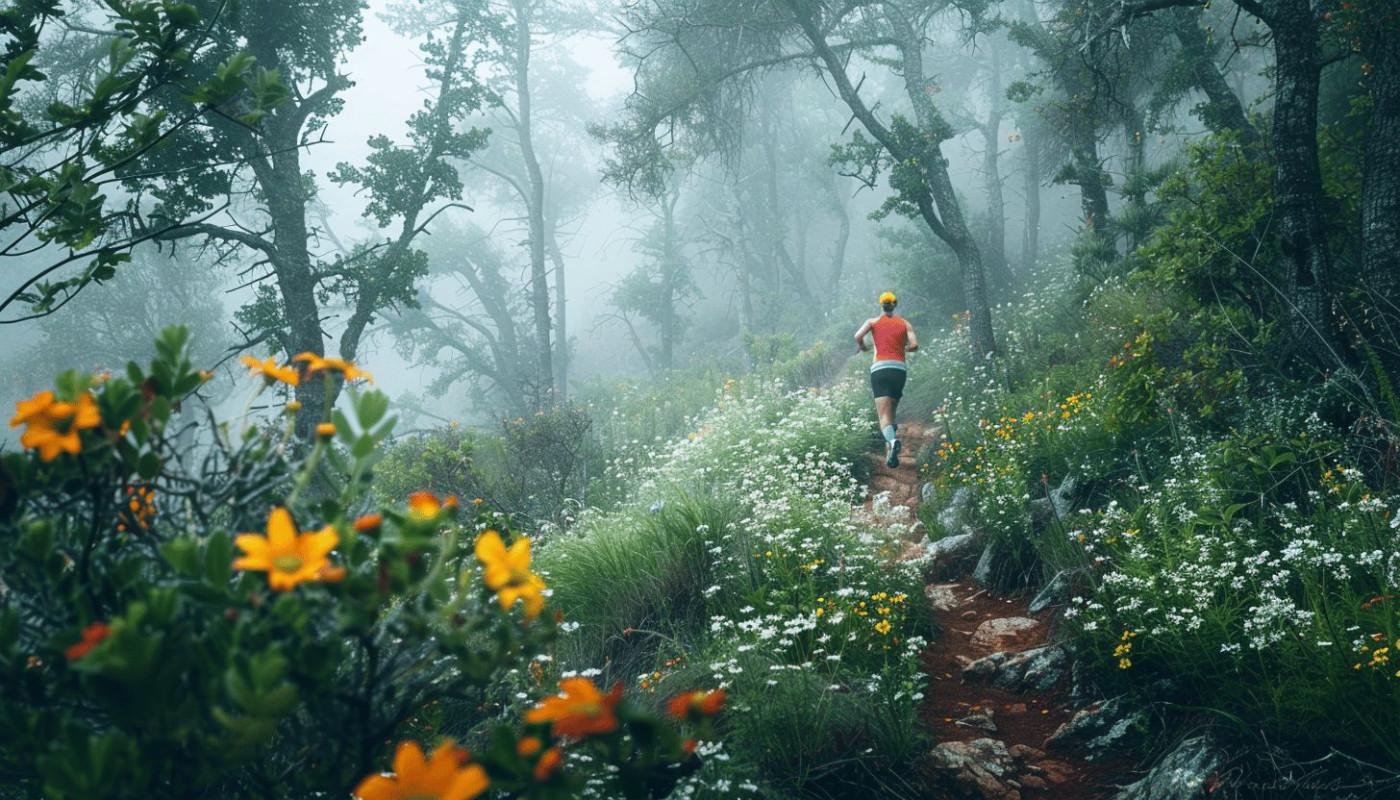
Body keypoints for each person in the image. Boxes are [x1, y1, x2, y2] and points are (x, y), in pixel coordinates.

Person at [855, 291, 918, 467]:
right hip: (899, 370)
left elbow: (858, 336)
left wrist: (863, 347)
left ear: (881, 305)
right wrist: (900, 350)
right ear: (895, 304)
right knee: (891, 413)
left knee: (883, 415)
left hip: (880, 369)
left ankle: (891, 441)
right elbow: (914, 345)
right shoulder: (905, 323)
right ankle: (890, 450)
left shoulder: (872, 322)